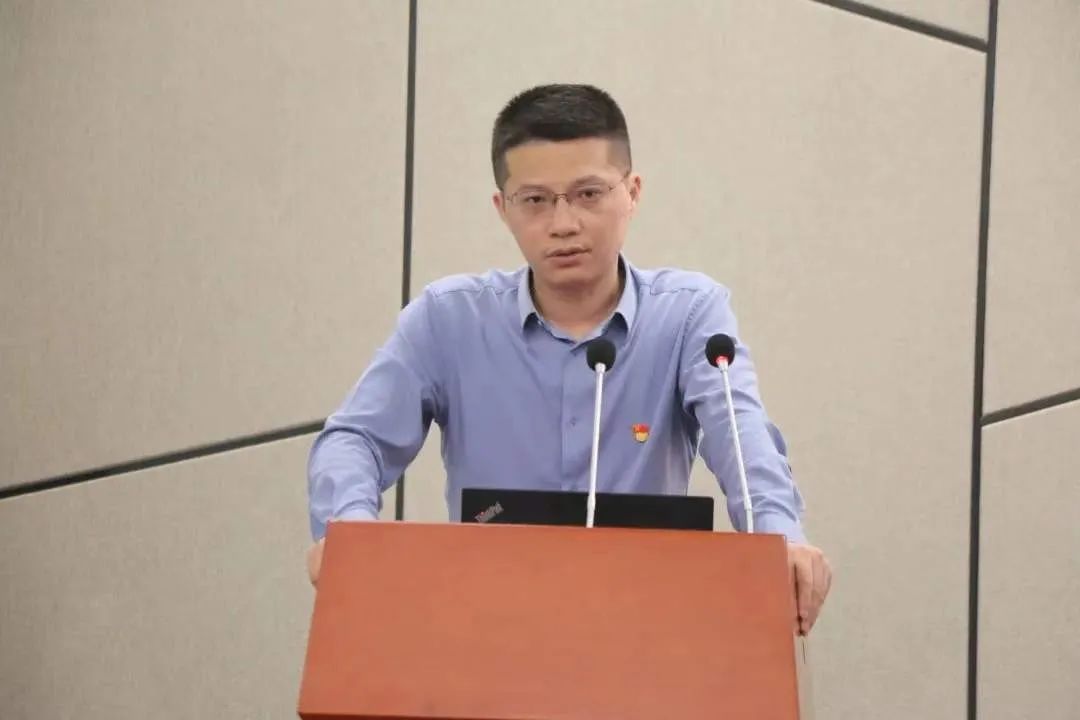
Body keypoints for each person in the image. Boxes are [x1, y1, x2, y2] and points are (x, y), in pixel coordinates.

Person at [306, 84, 832, 634]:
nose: (563, 223)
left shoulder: (687, 316)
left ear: (632, 192)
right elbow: (355, 439)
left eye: (588, 194)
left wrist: (779, 538)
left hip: (647, 630)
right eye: (535, 200)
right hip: (485, 630)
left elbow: (740, 433)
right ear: (502, 209)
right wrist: (350, 536)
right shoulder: (448, 319)